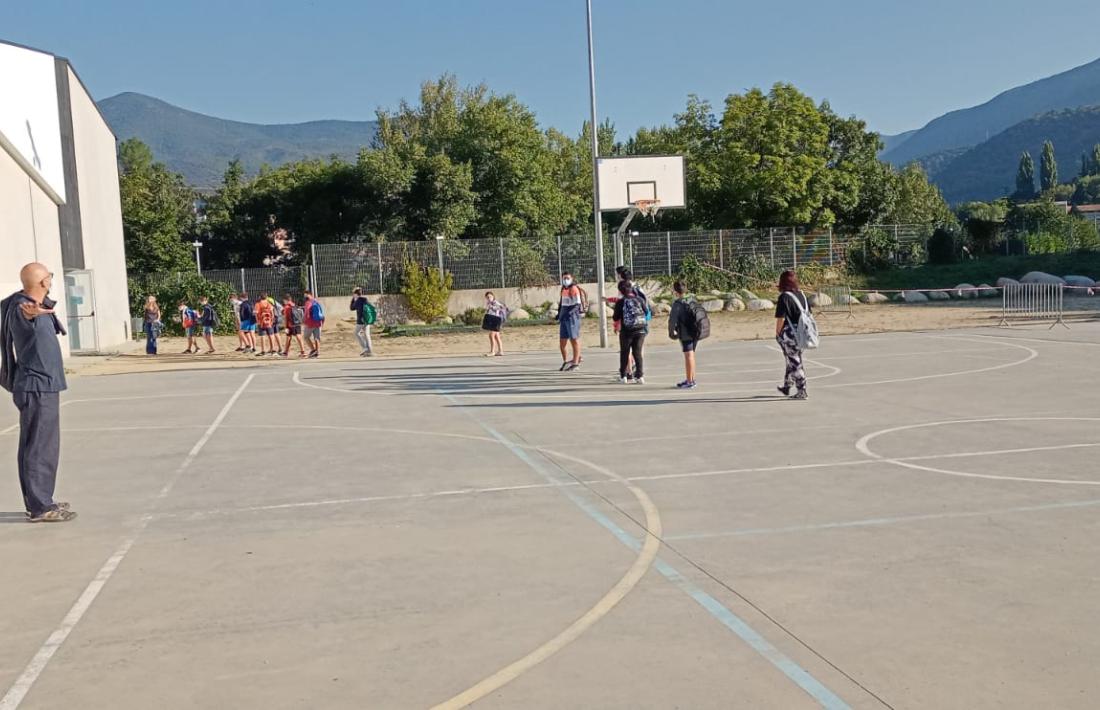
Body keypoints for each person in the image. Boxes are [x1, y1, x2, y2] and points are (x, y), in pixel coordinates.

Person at [0, 263, 76, 522]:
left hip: (39, 384)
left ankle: (38, 499)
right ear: (43, 282)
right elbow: (24, 315)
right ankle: (41, 506)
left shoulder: (28, 304)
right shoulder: (25, 308)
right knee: (41, 446)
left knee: (36, 444)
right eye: (49, 277)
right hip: (37, 385)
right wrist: (31, 315)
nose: (51, 281)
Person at [775, 270, 810, 400]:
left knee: (794, 361)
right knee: (792, 358)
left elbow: (781, 319)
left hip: (790, 333)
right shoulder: (802, 295)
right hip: (802, 331)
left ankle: (802, 390)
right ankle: (787, 385)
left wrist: (778, 334)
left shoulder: (784, 297)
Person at [612, 280, 648, 384]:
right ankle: (640, 376)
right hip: (640, 330)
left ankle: (624, 376)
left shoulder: (621, 302)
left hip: (626, 331)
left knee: (625, 353)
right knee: (637, 353)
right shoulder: (639, 299)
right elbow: (646, 311)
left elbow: (615, 317)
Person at [668, 281, 699, 389]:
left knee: (688, 355)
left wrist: (671, 333)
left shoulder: (677, 304)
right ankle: (691, 378)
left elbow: (672, 321)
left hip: (685, 332)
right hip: (695, 331)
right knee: (691, 355)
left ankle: (690, 381)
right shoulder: (692, 300)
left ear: (675, 292)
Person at [556, 272, 584, 371]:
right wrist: (559, 314)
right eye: (564, 278)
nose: (565, 280)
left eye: (567, 278)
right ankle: (566, 361)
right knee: (562, 342)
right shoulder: (563, 289)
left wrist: (570, 313)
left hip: (572, 318)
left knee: (574, 339)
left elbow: (577, 305)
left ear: (572, 278)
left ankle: (576, 362)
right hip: (563, 318)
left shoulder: (574, 289)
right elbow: (562, 303)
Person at [350, 287, 376, 357]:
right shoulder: (365, 299)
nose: (353, 295)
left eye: (353, 294)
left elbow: (351, 308)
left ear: (355, 294)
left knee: (356, 333)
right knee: (367, 334)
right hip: (367, 320)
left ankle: (365, 348)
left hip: (360, 320)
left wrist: (353, 299)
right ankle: (369, 351)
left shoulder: (357, 301)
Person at [482, 291, 506, 357]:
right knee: (497, 336)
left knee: (491, 335)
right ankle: (500, 351)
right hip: (492, 320)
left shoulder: (495, 302)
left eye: (490, 296)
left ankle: (492, 351)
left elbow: (502, 307)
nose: (489, 298)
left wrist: (493, 307)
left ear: (493, 296)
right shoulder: (488, 303)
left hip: (496, 320)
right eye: (487, 297)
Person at [303, 290, 325, 359]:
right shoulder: (316, 301)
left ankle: (313, 350)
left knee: (306, 337)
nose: (305, 296)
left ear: (308, 294)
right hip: (318, 322)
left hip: (310, 323)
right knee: (317, 338)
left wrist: (304, 321)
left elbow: (307, 313)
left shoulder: (308, 302)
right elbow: (321, 312)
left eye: (305, 295)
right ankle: (317, 352)